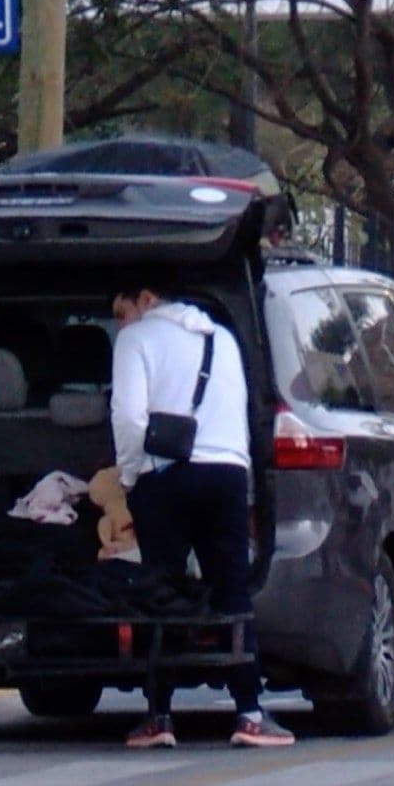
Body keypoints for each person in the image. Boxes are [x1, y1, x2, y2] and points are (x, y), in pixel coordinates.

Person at [109, 282, 294, 749]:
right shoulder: (224, 338)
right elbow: (240, 414)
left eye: (121, 309)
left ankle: (159, 716)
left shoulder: (136, 338)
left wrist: (131, 477)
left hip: (165, 476)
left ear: (147, 298)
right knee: (232, 589)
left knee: (162, 591)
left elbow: (128, 417)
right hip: (227, 474)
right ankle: (250, 711)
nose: (120, 322)